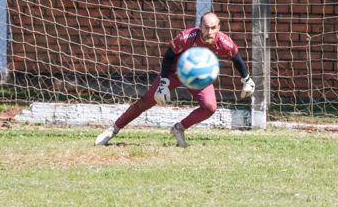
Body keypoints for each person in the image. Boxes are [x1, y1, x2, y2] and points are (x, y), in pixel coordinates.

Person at [95, 12, 255, 147]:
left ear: (218, 28)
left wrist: (246, 79)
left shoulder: (224, 42)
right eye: (206, 27)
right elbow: (168, 56)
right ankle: (113, 129)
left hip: (198, 76)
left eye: (213, 28)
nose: (209, 32)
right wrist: (163, 82)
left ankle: (179, 128)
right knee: (146, 101)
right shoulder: (186, 38)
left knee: (210, 107)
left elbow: (237, 59)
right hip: (174, 72)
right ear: (200, 27)